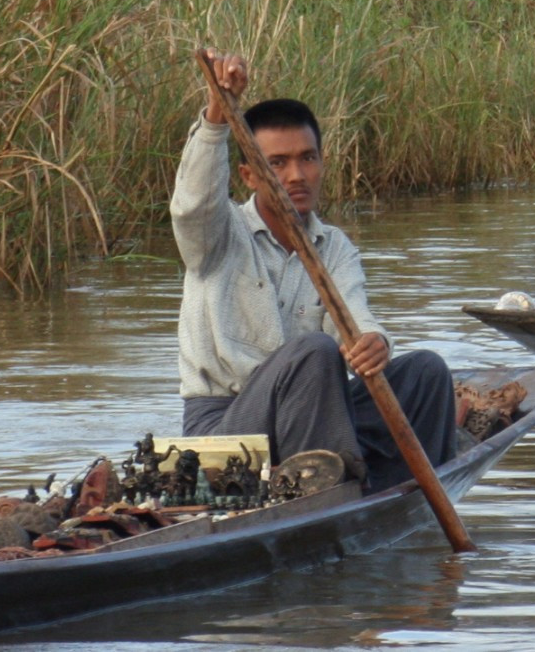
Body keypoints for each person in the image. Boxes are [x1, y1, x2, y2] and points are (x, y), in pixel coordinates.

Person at [171, 57, 457, 491]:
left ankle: (395, 492)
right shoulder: (218, 235)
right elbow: (192, 205)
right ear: (249, 175)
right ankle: (326, 491)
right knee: (313, 352)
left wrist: (372, 343)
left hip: (312, 419)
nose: (297, 176)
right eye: (279, 164)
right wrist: (216, 114)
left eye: (307, 159)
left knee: (427, 373)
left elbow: (353, 316)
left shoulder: (334, 247)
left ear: (322, 162)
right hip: (227, 427)